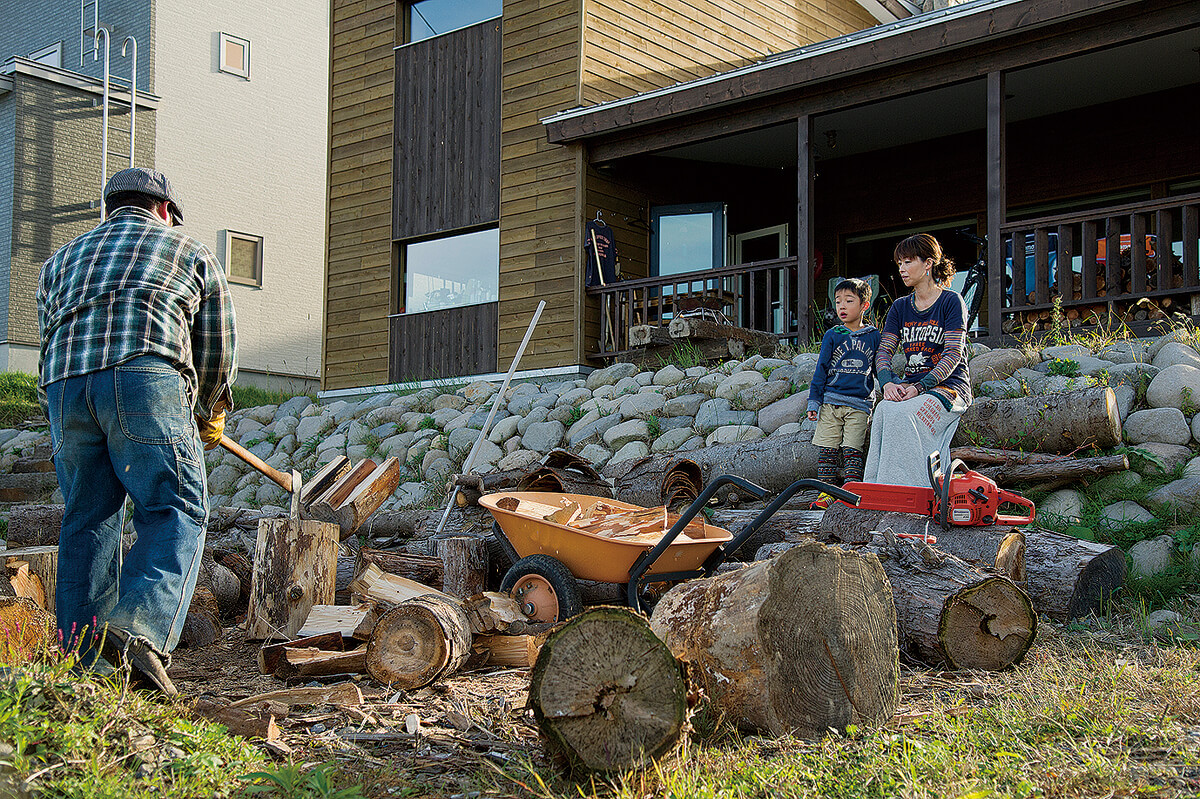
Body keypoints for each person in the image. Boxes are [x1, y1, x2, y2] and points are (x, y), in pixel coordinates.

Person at [38, 167, 237, 694]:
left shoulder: (60, 261)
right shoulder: (189, 250)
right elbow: (217, 347)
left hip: (64, 387)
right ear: (165, 210)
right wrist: (210, 407)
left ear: (110, 209)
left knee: (87, 517)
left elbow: (47, 336)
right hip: (144, 374)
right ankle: (139, 630)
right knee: (175, 505)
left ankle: (82, 664)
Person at [863, 233, 971, 488]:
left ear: (928, 263)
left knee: (905, 416)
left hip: (950, 388)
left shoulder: (951, 302)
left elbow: (953, 353)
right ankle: (877, 486)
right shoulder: (900, 307)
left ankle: (916, 490)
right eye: (899, 263)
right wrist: (888, 383)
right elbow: (884, 352)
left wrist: (920, 387)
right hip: (912, 386)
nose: (901, 268)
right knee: (883, 410)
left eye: (908, 261)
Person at [806, 278, 881, 503]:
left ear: (864, 305)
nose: (842, 306)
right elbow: (821, 369)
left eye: (849, 301)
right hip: (831, 403)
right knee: (827, 450)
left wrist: (893, 385)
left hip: (859, 405)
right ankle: (826, 492)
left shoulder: (873, 336)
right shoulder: (833, 335)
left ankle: (850, 492)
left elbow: (879, 367)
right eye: (838, 301)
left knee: (852, 450)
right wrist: (814, 401)